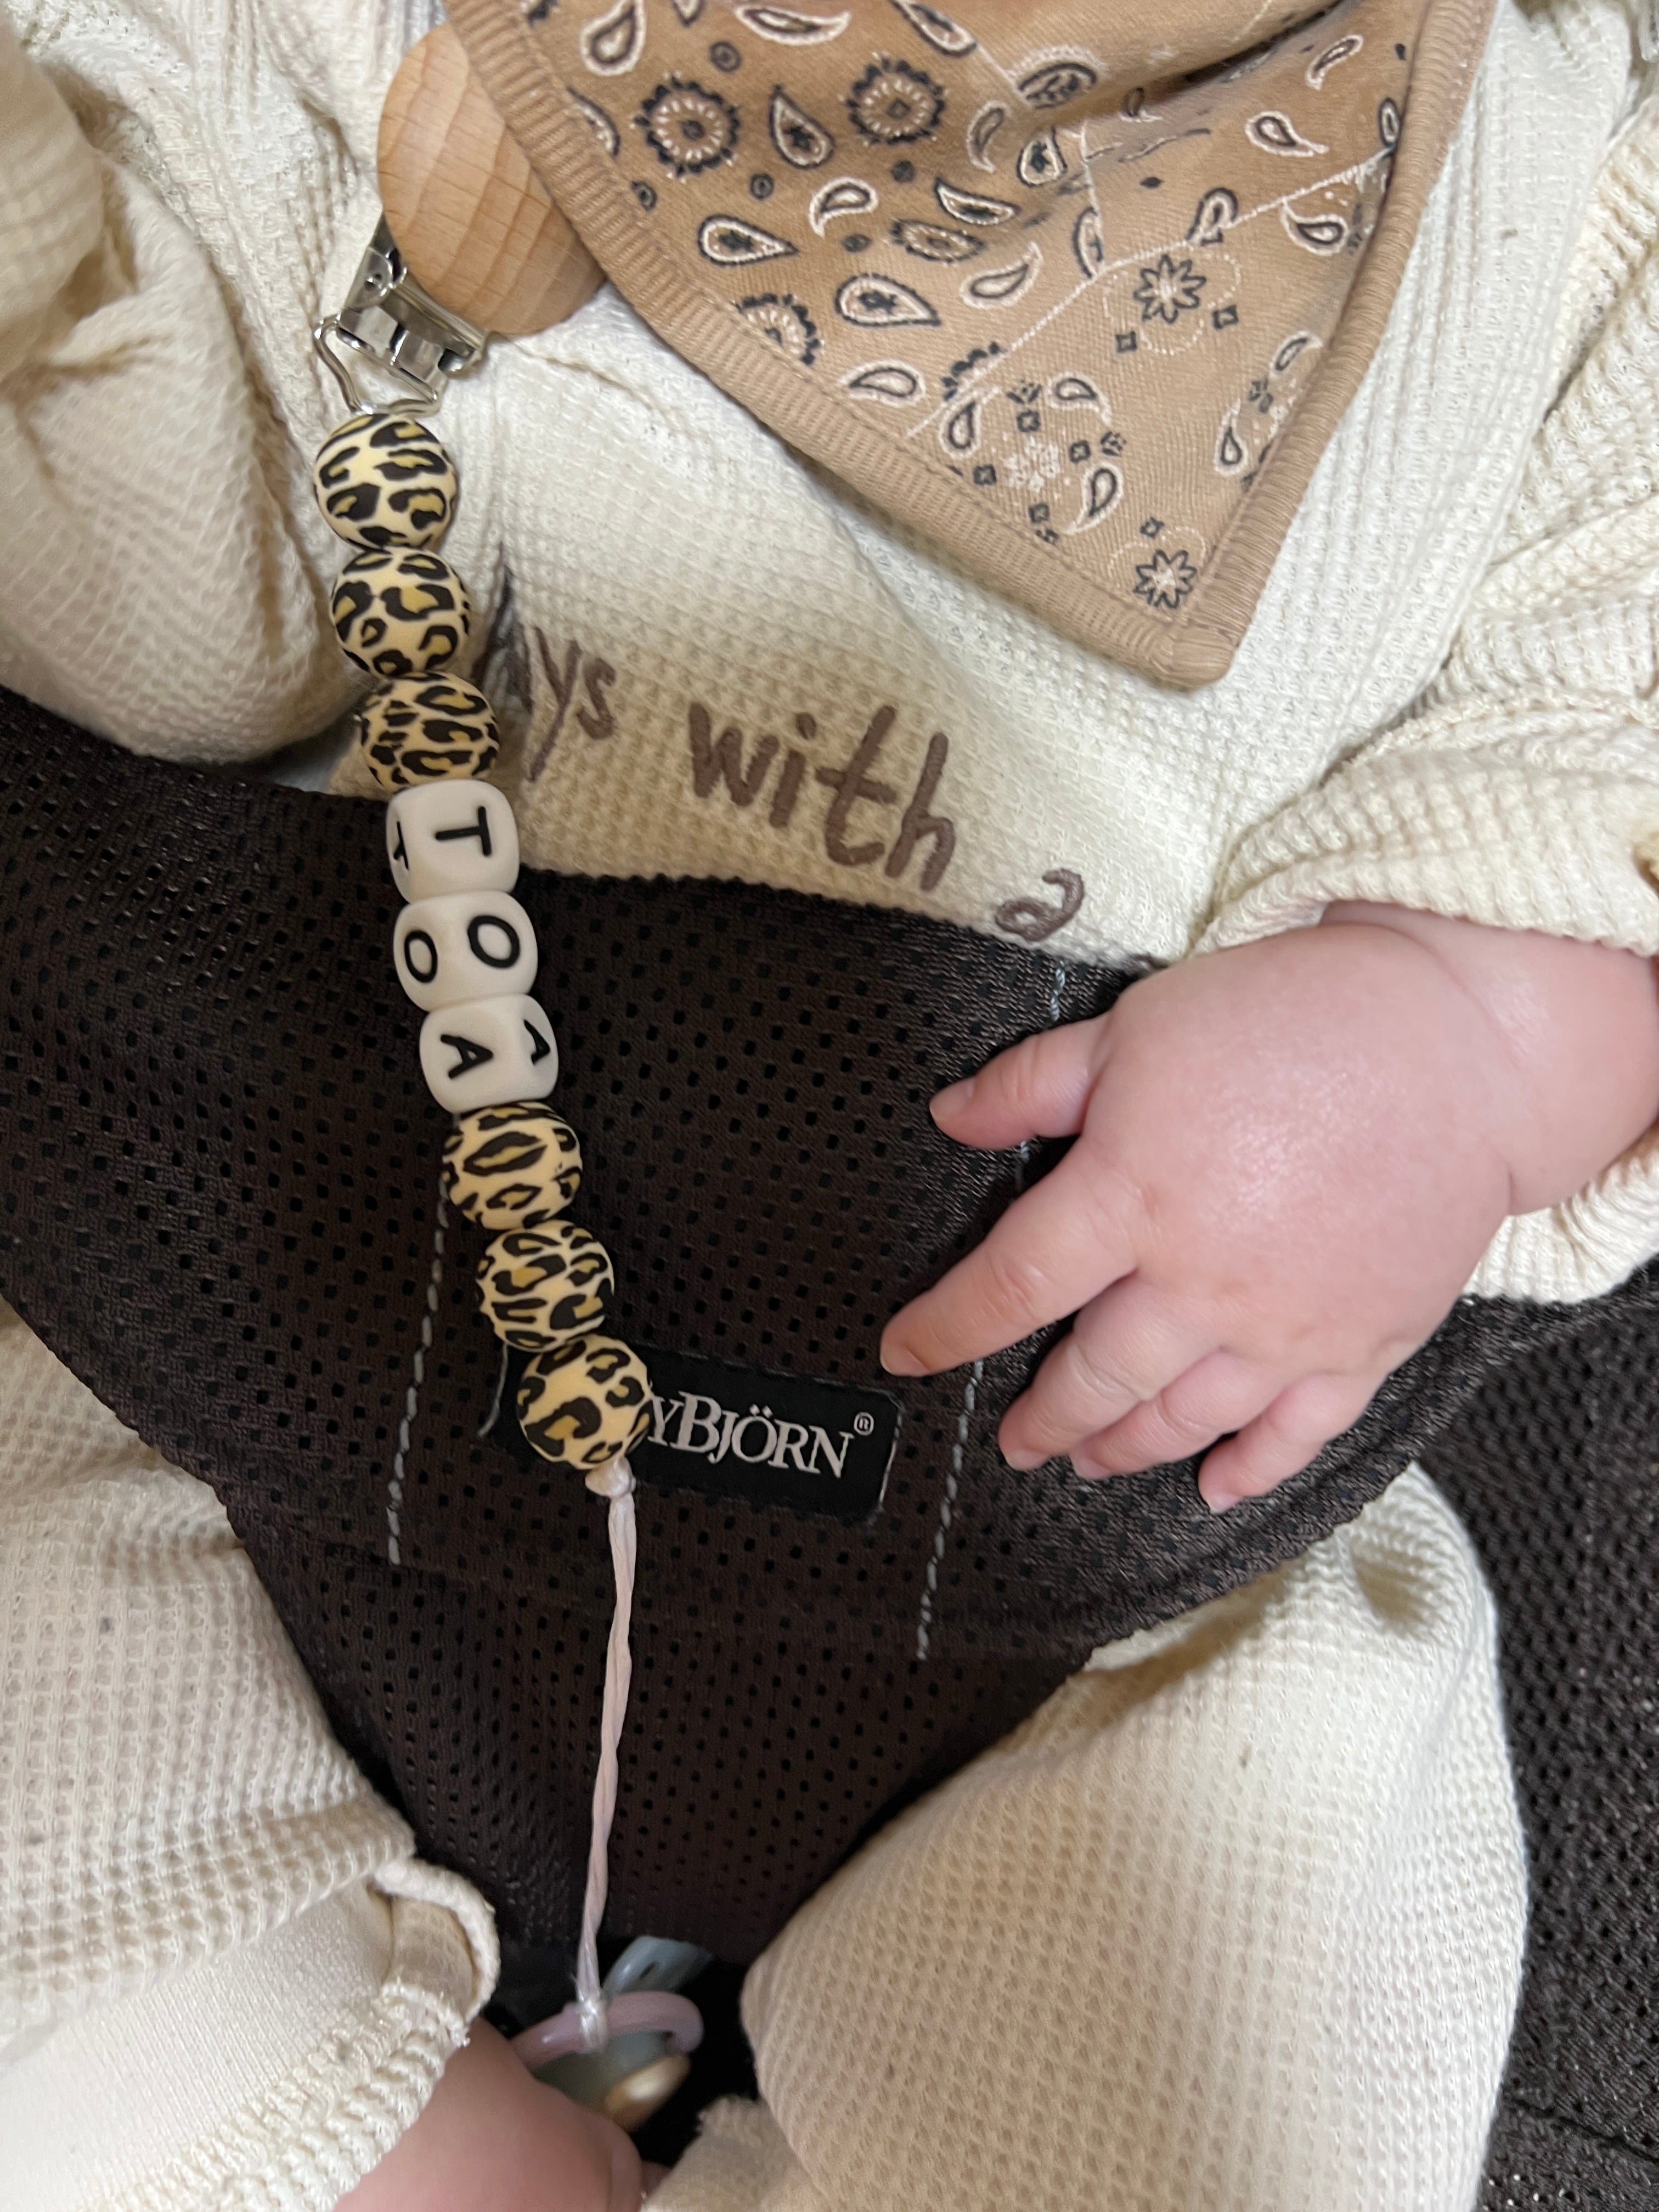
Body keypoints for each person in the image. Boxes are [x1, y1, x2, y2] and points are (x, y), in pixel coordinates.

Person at [3, 0, 1658, 2204]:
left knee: (1245, 1971)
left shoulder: (1570, 170)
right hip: (225, 1319)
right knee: (78, 1972)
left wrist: (1461, 1029)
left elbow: (1609, 754)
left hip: (1084, 1528)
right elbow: (173, 614)